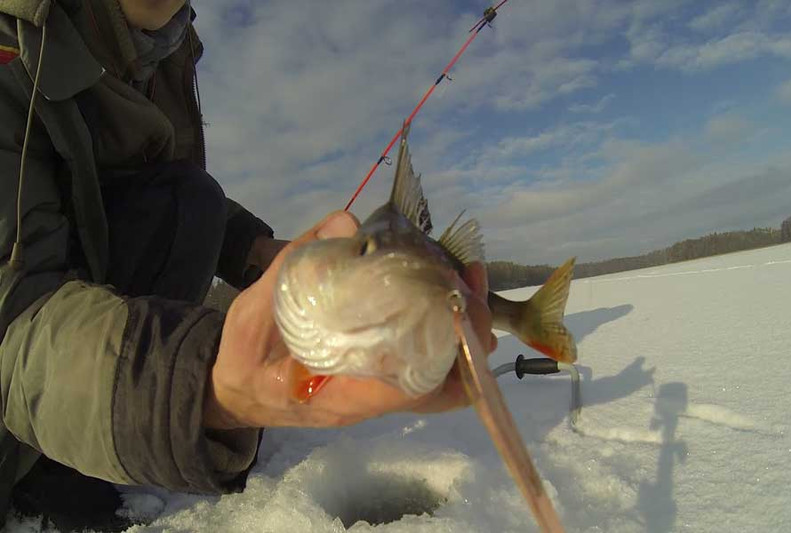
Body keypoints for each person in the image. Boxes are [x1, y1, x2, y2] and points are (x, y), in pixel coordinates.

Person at [0, 1, 494, 530]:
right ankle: (42, 472)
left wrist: (253, 249)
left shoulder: (170, 48)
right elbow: (12, 317)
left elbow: (160, 190)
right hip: (22, 385)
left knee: (193, 198)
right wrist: (197, 387)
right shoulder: (15, 42)